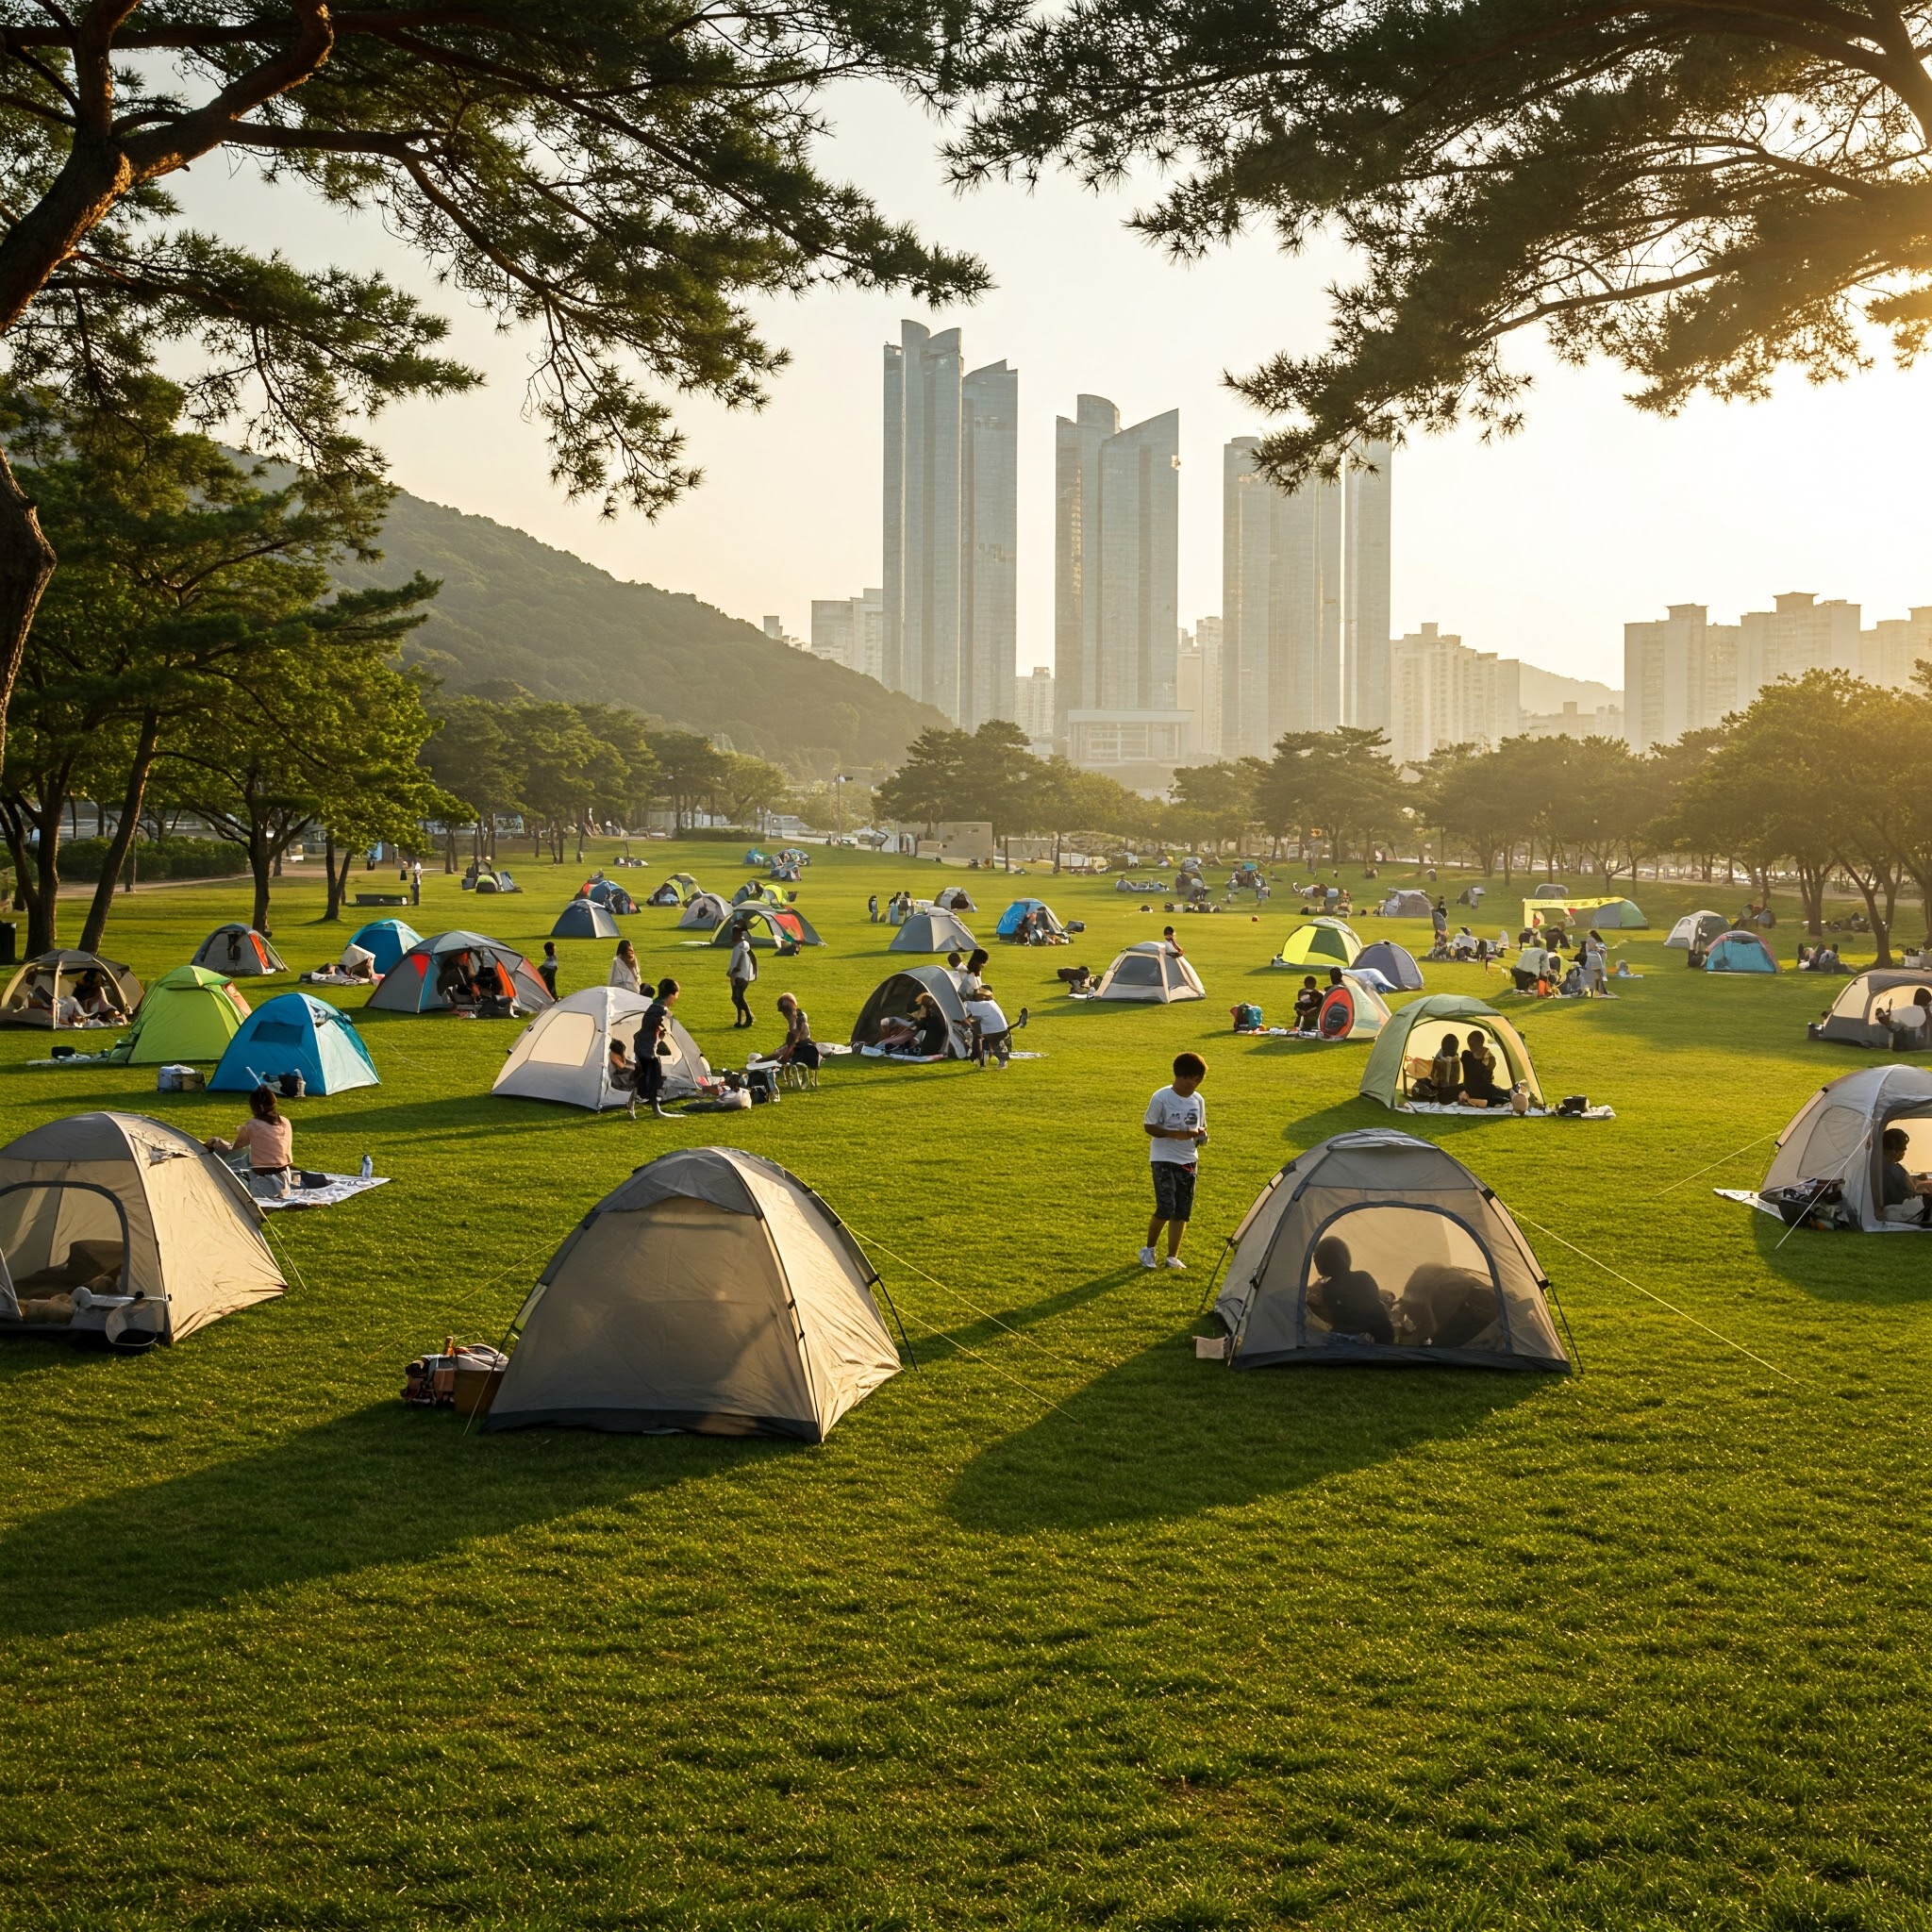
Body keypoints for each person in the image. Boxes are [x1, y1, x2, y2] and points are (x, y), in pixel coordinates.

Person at [1141, 1050, 1208, 1272]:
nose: (1193, 1085)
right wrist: (1173, 1134)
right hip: (1163, 1157)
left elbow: (1201, 1126)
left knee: (1182, 1209)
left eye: (1198, 1081)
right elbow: (1149, 1126)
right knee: (1165, 1206)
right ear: (1179, 1076)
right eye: (1190, 1080)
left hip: (1188, 1158)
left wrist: (1201, 1136)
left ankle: (1172, 1256)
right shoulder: (1161, 1097)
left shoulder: (1198, 1100)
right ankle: (1148, 1250)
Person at [204, 1085, 294, 1193]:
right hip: (285, 1178)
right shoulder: (285, 1121)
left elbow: (235, 1148)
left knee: (230, 1170)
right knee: (248, 1156)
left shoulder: (253, 1125)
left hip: (265, 1182)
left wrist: (217, 1142)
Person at [1306, 1234, 1393, 1343]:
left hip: (1373, 1338)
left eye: (1318, 1257)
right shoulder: (1361, 1277)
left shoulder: (1358, 1279)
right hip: (1377, 1337)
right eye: (1315, 1258)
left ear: (1333, 1258)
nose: (1316, 1262)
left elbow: (1364, 1314)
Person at [630, 977, 679, 1119]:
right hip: (647, 1049)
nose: (676, 999)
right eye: (676, 995)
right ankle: (656, 1109)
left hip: (642, 1046)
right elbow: (658, 1026)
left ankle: (633, 1104)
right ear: (671, 995)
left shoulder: (654, 1007)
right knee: (653, 1079)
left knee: (642, 1077)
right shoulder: (660, 1010)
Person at [1880, 1126, 1932, 1222]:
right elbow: (1904, 1196)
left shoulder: (1880, 1165)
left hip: (1902, 1205)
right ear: (1894, 1150)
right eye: (1903, 1149)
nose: (1904, 1152)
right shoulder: (1892, 1169)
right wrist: (1923, 1196)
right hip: (1902, 1210)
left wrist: (1917, 1179)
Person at [963, 986, 1013, 1067]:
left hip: (993, 1030)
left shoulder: (983, 1005)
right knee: (996, 1044)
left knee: (990, 1044)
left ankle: (987, 1060)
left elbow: (966, 1005)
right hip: (1002, 1029)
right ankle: (988, 1059)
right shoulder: (992, 1003)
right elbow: (978, 1017)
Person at [772, 992, 821, 1074]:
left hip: (799, 1048)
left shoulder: (793, 1021)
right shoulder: (799, 1016)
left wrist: (781, 1052)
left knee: (776, 1054)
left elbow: (794, 1041)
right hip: (803, 1045)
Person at [1461, 1033, 1511, 1107]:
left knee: (1503, 1095)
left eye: (1474, 1042)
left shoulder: (1490, 1059)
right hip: (1471, 1090)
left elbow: (1485, 1076)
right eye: (1470, 1042)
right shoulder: (1467, 1055)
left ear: (1481, 1042)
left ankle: (1512, 1096)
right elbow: (1476, 1071)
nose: (1471, 1044)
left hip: (1485, 1089)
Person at [727, 927, 757, 1028]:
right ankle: (739, 1020)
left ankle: (749, 1017)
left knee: (737, 998)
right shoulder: (744, 945)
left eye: (733, 934)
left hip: (740, 976)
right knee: (737, 998)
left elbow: (738, 962)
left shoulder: (740, 946)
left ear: (738, 935)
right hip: (742, 976)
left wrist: (732, 972)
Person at [1424, 1032, 1462, 1105]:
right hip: (1441, 1087)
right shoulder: (1454, 1060)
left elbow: (1433, 1074)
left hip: (1446, 1088)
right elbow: (1433, 1075)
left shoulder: (1454, 1060)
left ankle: (1438, 1095)